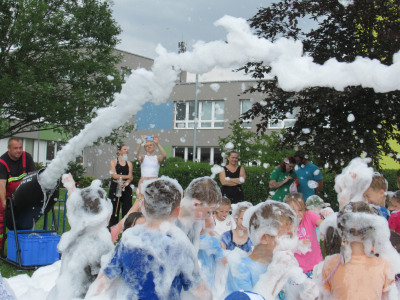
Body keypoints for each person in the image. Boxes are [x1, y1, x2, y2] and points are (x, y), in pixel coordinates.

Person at [87, 177, 212, 300]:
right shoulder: (180, 245)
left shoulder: (128, 240)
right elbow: (202, 293)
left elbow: (101, 283)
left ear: (143, 207)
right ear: (177, 212)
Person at [226, 201, 317, 300]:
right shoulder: (241, 269)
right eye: (287, 237)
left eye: (294, 236)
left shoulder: (280, 264)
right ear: (264, 238)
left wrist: (303, 295)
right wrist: (274, 275)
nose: (294, 243)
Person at [47, 176, 114, 300]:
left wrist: (71, 188)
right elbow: (103, 285)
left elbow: (79, 208)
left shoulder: (75, 235)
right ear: (104, 213)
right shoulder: (99, 245)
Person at [321, 201, 396, 300]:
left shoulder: (330, 264)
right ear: (374, 231)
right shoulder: (385, 265)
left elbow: (322, 296)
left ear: (342, 231)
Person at [0, 137, 36, 248]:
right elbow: (1, 184)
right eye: (15, 148)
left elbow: (32, 178)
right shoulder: (2, 162)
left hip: (22, 195)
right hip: (5, 194)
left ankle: (21, 247)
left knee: (23, 220)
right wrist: (4, 202)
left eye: (20, 147)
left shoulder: (27, 157)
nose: (18, 150)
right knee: (1, 221)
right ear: (8, 148)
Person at [176, 177, 222, 252]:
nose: (209, 216)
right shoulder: (171, 222)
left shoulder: (195, 221)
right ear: (196, 204)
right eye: (208, 212)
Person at [284, 193, 324, 277]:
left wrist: (327, 217)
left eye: (300, 210)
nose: (297, 214)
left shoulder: (309, 216)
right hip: (295, 268)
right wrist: (297, 244)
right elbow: (283, 244)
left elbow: (324, 225)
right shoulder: (285, 223)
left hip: (315, 265)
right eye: (293, 210)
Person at [198, 215, 227, 294]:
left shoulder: (190, 238)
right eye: (210, 214)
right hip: (208, 285)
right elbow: (225, 263)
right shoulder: (212, 241)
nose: (213, 217)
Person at [135, 135, 167, 201]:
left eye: (150, 145)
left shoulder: (157, 158)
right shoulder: (143, 157)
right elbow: (136, 155)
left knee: (154, 200)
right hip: (143, 180)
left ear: (154, 147)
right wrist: (140, 143)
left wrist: (157, 143)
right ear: (145, 149)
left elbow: (164, 155)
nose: (149, 146)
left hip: (154, 180)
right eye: (147, 146)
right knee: (141, 199)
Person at [108, 144, 134, 227]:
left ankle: (125, 228)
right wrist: (127, 177)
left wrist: (125, 184)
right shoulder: (113, 162)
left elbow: (131, 178)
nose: (127, 150)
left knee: (127, 208)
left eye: (127, 149)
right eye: (124, 149)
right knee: (114, 209)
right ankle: (112, 228)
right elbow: (115, 176)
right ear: (119, 151)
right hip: (115, 186)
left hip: (126, 187)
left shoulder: (129, 164)